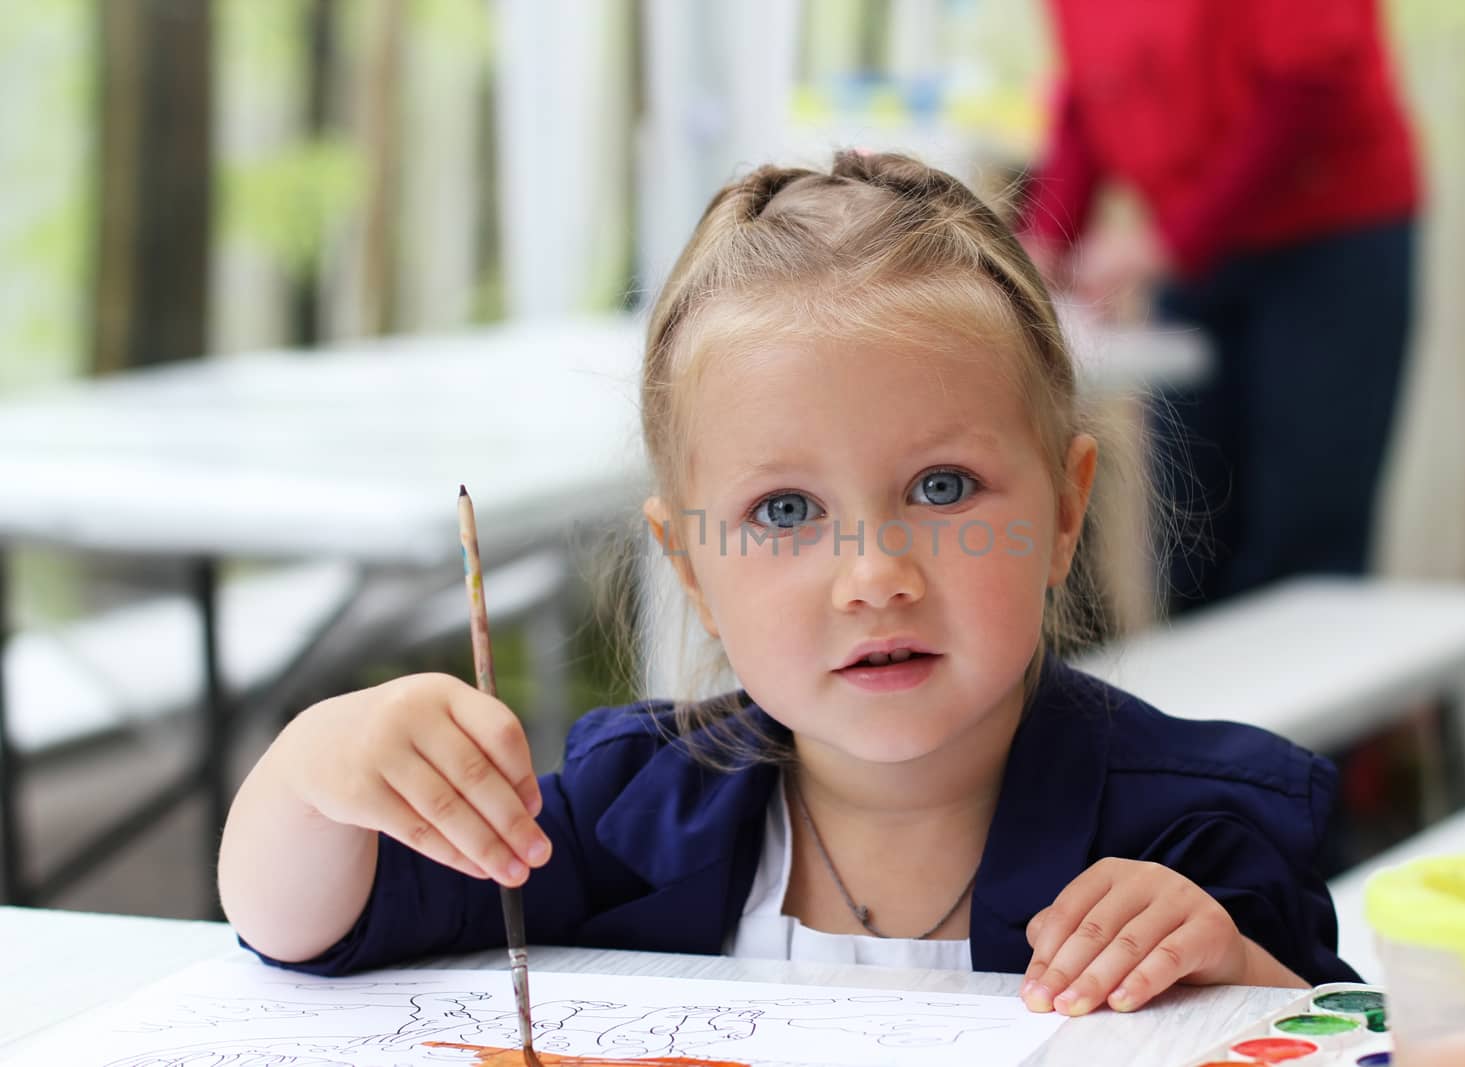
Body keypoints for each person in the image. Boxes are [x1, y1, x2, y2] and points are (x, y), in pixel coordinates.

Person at [219, 151, 1358, 1021]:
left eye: (944, 484)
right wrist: (318, 768)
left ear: (1064, 510)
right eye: (783, 511)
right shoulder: (632, 814)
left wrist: (1227, 968)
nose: (873, 575)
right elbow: (310, 928)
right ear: (692, 568)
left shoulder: (1200, 829)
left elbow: (1347, 1037)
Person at [1017, 0, 1421, 607]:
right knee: (1192, 532)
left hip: (1328, 239)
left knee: (1302, 536)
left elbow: (1309, 86)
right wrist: (1043, 242)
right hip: (1193, 250)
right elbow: (1091, 97)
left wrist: (1169, 241)